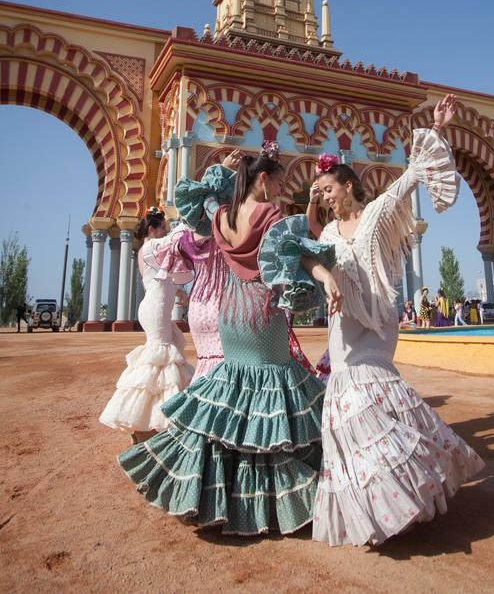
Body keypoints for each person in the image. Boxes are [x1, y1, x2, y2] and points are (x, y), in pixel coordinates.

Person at [273, 93, 484, 547]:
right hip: (342, 321)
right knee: (346, 408)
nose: (327, 199)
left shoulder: (376, 215)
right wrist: (326, 273)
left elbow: (411, 176)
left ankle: (399, 495)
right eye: (322, 193)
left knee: (366, 399)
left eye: (330, 190)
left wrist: (440, 127)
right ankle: (379, 505)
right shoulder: (328, 231)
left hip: (377, 322)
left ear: (349, 185)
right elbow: (309, 251)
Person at [117, 142, 341, 537]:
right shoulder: (270, 215)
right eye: (278, 182)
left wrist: (220, 168)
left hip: (230, 313)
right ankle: (269, 498)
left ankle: (209, 490)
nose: (280, 190)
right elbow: (298, 252)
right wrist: (325, 276)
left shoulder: (221, 214)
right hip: (262, 311)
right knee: (269, 390)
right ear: (262, 179)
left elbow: (201, 195)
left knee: (233, 392)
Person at [99, 207, 194, 443]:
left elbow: (163, 278)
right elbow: (175, 239)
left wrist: (180, 292)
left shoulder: (150, 251)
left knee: (163, 360)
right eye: (162, 227)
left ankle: (149, 424)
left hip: (155, 306)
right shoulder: (151, 246)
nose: (165, 231)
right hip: (155, 308)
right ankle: (147, 425)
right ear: (152, 229)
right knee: (160, 360)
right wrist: (190, 217)